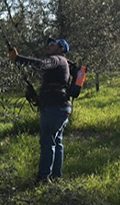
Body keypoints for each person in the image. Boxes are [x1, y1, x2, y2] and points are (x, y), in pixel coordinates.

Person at [8, 38, 72, 185]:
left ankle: (43, 178)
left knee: (47, 142)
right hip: (60, 107)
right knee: (56, 141)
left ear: (62, 49)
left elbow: (42, 64)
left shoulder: (57, 59)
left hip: (55, 108)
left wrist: (18, 59)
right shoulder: (60, 64)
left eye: (53, 44)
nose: (49, 45)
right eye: (48, 43)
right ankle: (56, 177)